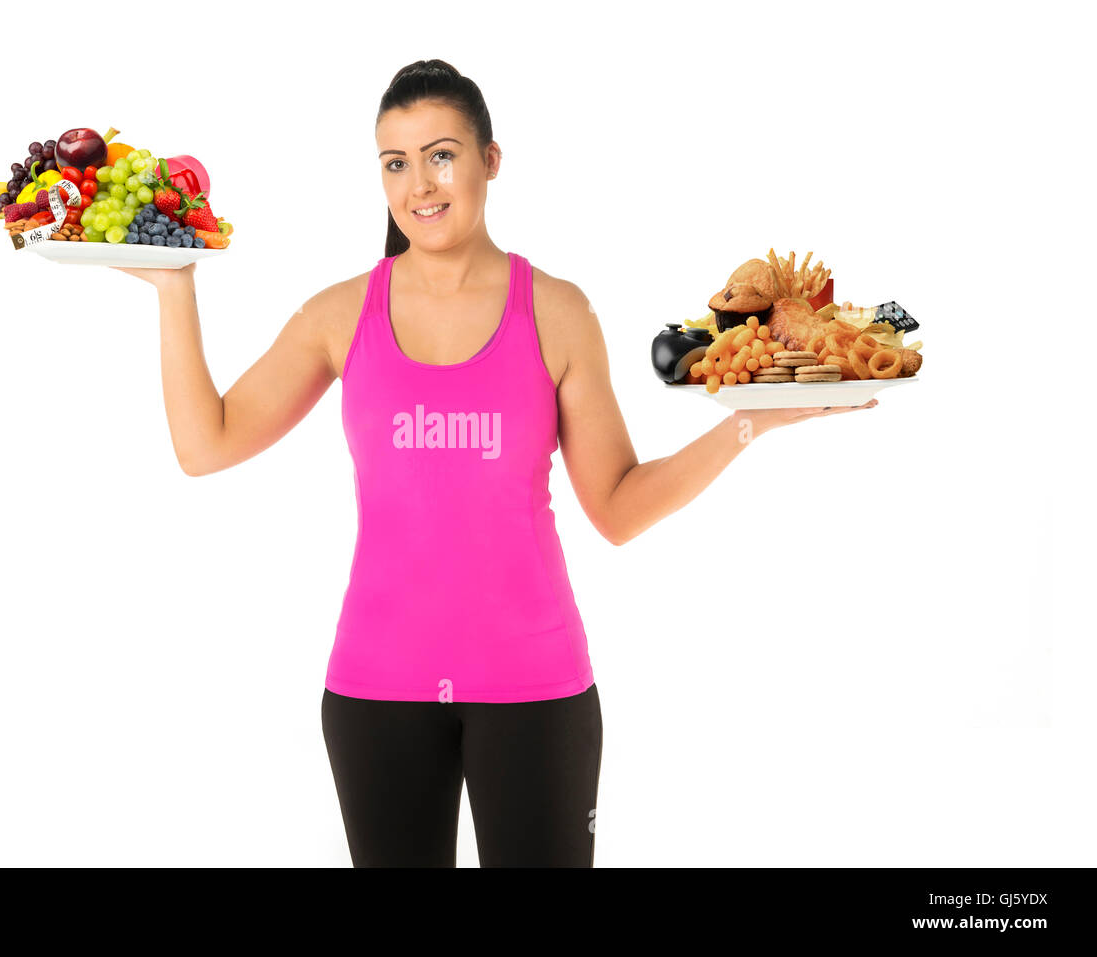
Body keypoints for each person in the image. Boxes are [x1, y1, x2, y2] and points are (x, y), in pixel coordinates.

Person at [113, 59, 876, 868]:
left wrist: (747, 426)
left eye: (441, 154)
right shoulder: (338, 314)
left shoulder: (557, 310)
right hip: (377, 691)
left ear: (490, 160)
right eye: (395, 163)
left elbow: (616, 508)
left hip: (536, 691)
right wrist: (174, 289)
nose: (419, 184)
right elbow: (206, 444)